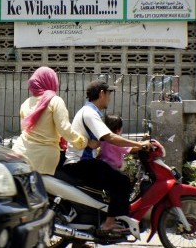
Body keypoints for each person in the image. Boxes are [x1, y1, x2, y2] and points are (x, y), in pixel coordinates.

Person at [63, 80, 150, 232]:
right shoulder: (89, 113)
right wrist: (139, 145)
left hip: (82, 162)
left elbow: (101, 140)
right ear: (102, 93)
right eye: (109, 93)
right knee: (122, 181)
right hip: (80, 164)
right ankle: (109, 223)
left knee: (112, 182)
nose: (110, 97)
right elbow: (110, 137)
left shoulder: (90, 112)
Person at [12, 66, 99, 175]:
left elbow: (24, 130)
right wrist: (84, 142)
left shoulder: (26, 103)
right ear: (51, 81)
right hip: (44, 157)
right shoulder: (55, 101)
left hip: (21, 152)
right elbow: (64, 129)